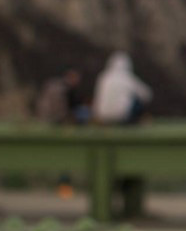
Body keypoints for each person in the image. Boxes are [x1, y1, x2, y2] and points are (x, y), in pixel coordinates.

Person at [37, 68, 85, 198]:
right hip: (60, 126)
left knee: (61, 159)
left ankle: (62, 187)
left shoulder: (54, 87)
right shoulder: (64, 91)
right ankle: (64, 188)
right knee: (65, 158)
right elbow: (64, 111)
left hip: (50, 125)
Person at [93, 52, 152, 125]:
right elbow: (146, 94)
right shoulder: (126, 77)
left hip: (102, 116)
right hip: (122, 116)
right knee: (137, 99)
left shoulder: (103, 76)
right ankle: (136, 120)